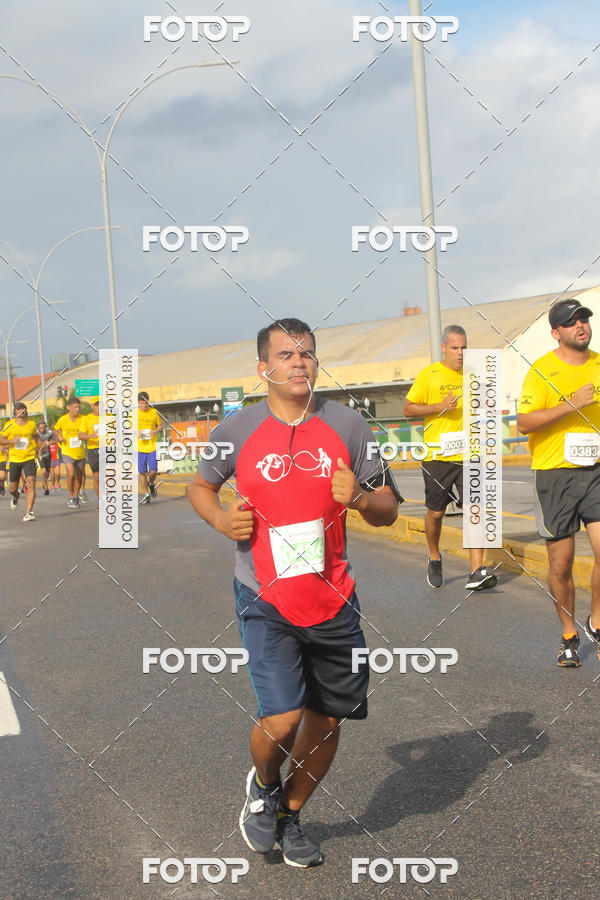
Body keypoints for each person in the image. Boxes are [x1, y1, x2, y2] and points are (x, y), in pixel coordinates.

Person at [188, 317, 402, 868]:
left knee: (327, 721)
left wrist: (358, 496)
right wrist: (219, 520)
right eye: (285, 354)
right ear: (264, 368)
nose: (299, 361)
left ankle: (289, 813)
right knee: (282, 719)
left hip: (334, 600)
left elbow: (388, 508)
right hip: (264, 598)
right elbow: (200, 485)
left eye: (306, 352)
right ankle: (262, 786)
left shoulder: (350, 427)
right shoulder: (237, 430)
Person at [518, 298, 600, 667]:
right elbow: (524, 423)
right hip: (554, 475)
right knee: (561, 563)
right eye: (570, 322)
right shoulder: (542, 370)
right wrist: (571, 404)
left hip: (595, 471)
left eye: (583, 319)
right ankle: (569, 634)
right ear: (556, 333)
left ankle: (596, 623)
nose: (580, 325)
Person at [403, 325, 498, 591]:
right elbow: (408, 408)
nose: (460, 352)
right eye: (455, 347)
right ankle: (434, 555)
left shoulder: (475, 374)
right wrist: (439, 407)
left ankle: (476, 571)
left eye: (464, 347)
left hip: (470, 454)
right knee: (436, 511)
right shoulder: (429, 375)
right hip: (437, 456)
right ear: (444, 347)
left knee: (474, 508)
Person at [0, 403, 40, 521]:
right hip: (14, 459)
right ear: (15, 412)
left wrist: (40, 443)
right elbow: (1, 438)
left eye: (23, 409)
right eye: (18, 409)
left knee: (31, 481)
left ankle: (29, 512)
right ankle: (15, 496)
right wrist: (11, 440)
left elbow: (36, 436)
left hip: (29, 457)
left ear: (26, 411)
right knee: (12, 489)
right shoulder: (9, 425)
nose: (21, 411)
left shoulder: (32, 424)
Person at [54, 397, 86, 508]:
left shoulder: (83, 419)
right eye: (75, 407)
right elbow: (56, 428)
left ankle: (76, 496)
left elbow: (88, 430)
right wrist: (59, 436)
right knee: (71, 473)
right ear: (69, 407)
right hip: (67, 450)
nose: (77, 409)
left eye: (78, 407)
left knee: (79, 476)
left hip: (80, 451)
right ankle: (70, 496)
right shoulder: (63, 419)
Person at [137, 391, 161, 504]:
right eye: (141, 403)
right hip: (139, 447)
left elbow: (160, 426)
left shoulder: (154, 412)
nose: (144, 405)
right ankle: (146, 494)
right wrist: (135, 432)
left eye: (145, 403)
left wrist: (154, 431)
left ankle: (151, 483)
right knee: (142, 472)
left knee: (153, 471)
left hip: (151, 446)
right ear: (138, 403)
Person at [78, 397, 101, 510]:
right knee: (97, 477)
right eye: (97, 405)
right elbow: (80, 435)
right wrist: (90, 436)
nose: (99, 407)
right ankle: (101, 500)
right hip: (94, 450)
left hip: (108, 448)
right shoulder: (87, 419)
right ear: (92, 406)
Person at [36, 420, 53, 495]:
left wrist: (49, 443)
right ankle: (46, 488)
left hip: (48, 454)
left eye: (43, 428)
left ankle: (44, 482)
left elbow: (54, 440)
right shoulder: (36, 434)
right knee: (43, 471)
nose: (42, 430)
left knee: (48, 473)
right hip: (40, 454)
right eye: (40, 428)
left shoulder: (49, 433)